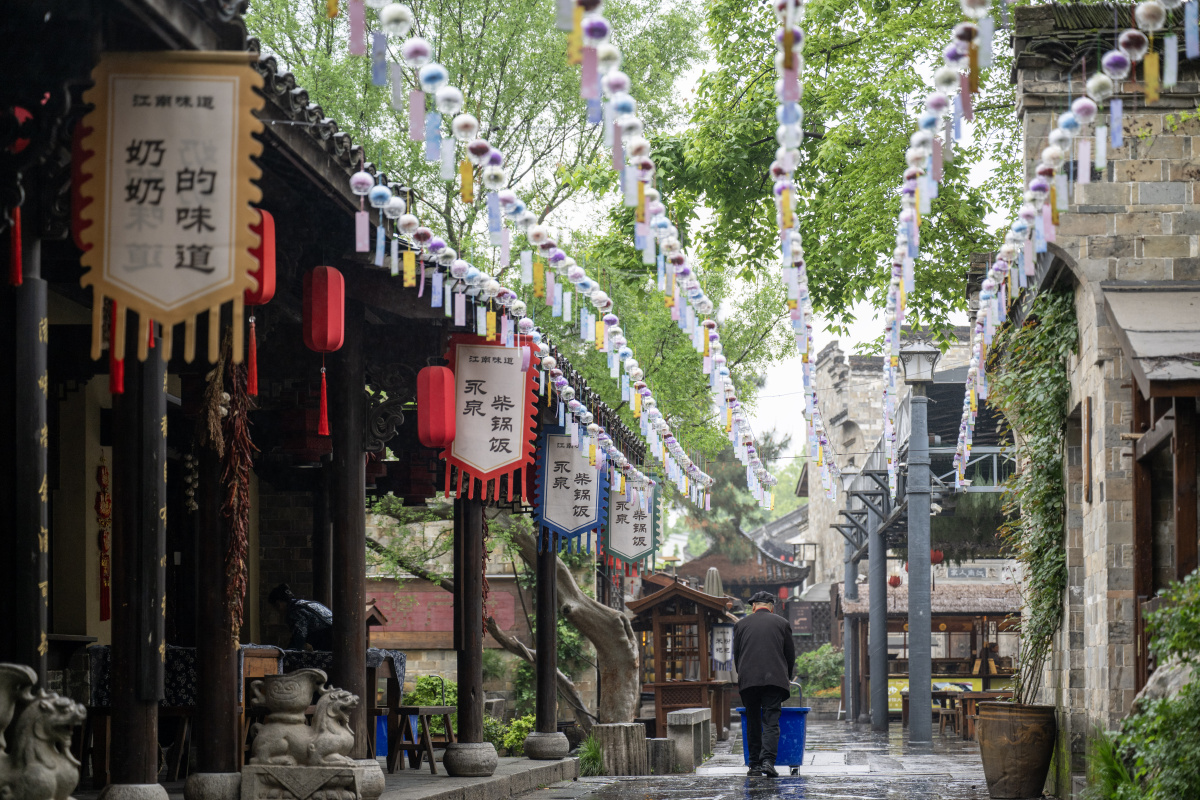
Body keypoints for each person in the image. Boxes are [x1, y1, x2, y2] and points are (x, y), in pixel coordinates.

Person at [733, 590, 795, 778]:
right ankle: (768, 761)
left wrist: (743, 676)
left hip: (749, 679)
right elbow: (790, 655)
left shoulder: (741, 625)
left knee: (753, 720)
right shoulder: (782, 624)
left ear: (753, 607)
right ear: (771, 607)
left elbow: (737, 655)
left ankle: (754, 765)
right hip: (774, 680)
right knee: (771, 721)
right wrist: (787, 677)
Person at [269, 583, 335, 651]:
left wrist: (287, 653)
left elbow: (299, 636)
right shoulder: (307, 603)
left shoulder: (295, 611)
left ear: (278, 604)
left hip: (330, 640)